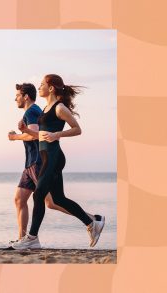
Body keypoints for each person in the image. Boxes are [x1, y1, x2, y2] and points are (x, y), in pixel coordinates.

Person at [11, 75, 105, 250]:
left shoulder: (59, 108)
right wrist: (25, 131)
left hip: (54, 157)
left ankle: (32, 238)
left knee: (39, 195)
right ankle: (92, 223)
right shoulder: (46, 108)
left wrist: (58, 135)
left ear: (51, 88)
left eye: (41, 85)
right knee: (59, 199)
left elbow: (77, 129)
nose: (39, 88)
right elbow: (41, 135)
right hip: (47, 156)